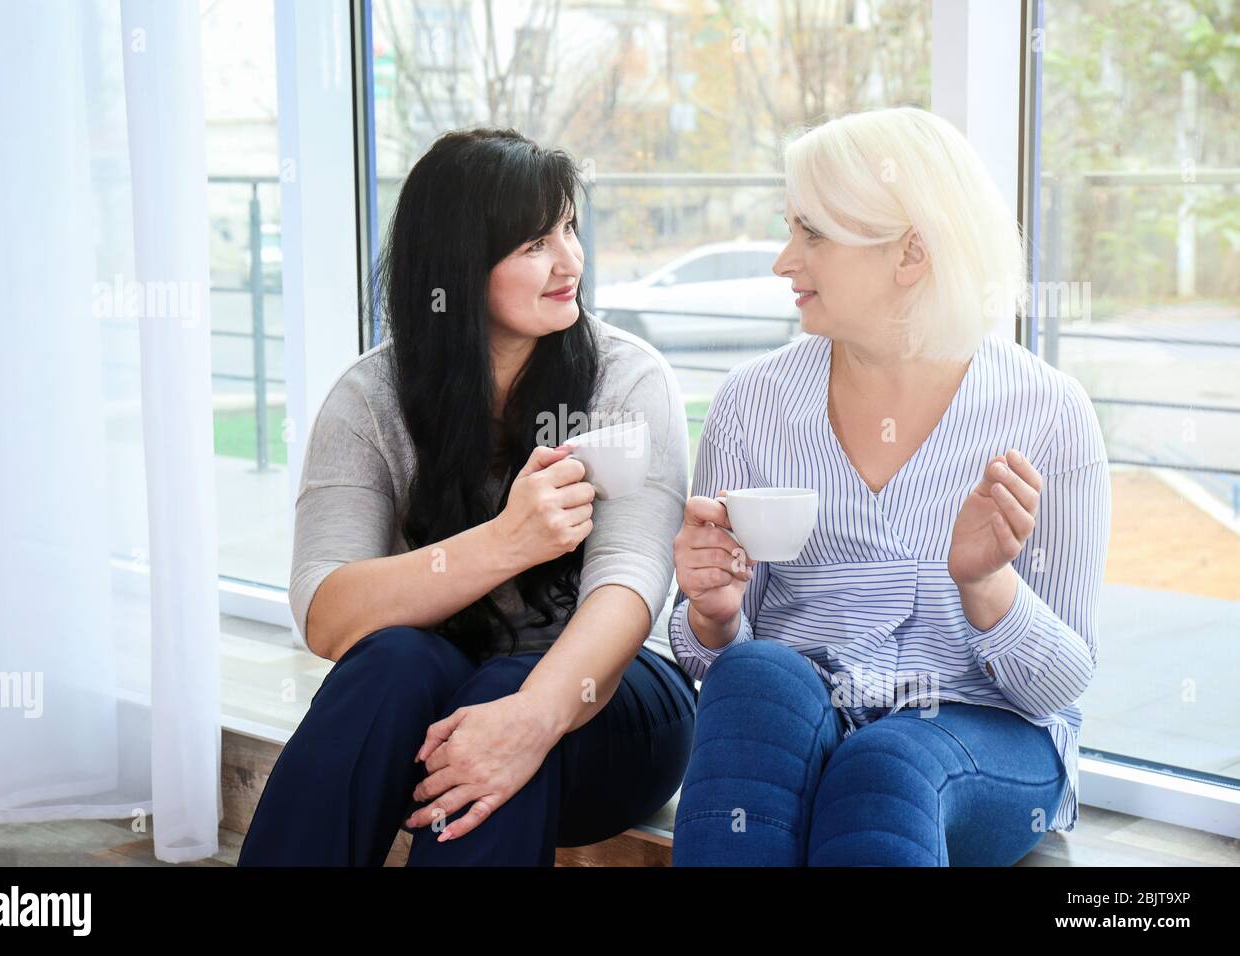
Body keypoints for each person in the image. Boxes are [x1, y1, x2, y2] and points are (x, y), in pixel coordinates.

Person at [237, 128, 694, 866]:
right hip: (441, 705)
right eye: (533, 245)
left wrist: (527, 721)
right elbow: (327, 614)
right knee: (391, 665)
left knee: (499, 688)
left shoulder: (624, 379)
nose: (570, 261)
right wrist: (505, 542)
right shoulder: (371, 398)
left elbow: (630, 585)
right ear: (457, 265)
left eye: (569, 229)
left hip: (605, 706)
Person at [668, 106, 1112, 866]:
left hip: (987, 738)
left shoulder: (1048, 412)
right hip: (807, 715)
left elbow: (1057, 686)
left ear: (910, 254)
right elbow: (713, 663)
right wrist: (712, 617)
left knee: (886, 767)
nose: (783, 261)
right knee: (754, 673)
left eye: (813, 234)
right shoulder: (751, 404)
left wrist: (986, 584)